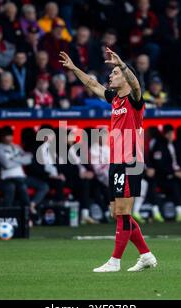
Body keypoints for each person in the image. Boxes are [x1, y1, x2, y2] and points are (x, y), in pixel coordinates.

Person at [59, 48, 157, 272]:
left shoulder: (134, 99)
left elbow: (136, 84)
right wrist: (74, 68)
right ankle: (146, 255)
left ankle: (115, 261)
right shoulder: (114, 99)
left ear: (124, 76)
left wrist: (122, 64)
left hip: (130, 161)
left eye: (114, 73)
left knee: (122, 212)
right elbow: (92, 85)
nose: (110, 76)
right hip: (117, 160)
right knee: (117, 213)